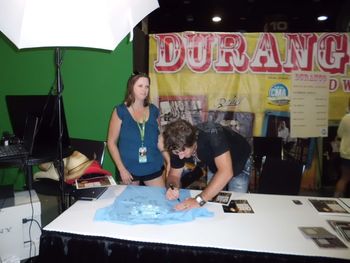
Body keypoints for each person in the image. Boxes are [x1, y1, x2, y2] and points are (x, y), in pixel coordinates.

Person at [162, 119, 252, 210]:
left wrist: (198, 200)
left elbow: (226, 172)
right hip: (215, 161)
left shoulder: (212, 134)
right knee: (211, 203)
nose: (180, 157)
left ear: (193, 142)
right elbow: (174, 175)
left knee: (235, 204)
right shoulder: (176, 145)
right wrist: (172, 187)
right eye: (177, 153)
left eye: (183, 151)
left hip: (239, 157)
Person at [107, 73, 167, 187]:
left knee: (159, 202)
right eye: (140, 86)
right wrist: (122, 169)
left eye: (147, 86)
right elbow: (111, 143)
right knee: (129, 204)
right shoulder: (120, 111)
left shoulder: (154, 110)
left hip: (152, 166)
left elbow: (158, 138)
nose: (144, 90)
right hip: (128, 169)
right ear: (131, 87)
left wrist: (168, 160)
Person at [334, 98, 350, 197]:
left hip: (346, 154)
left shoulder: (346, 118)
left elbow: (339, 134)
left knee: (344, 178)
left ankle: (337, 202)